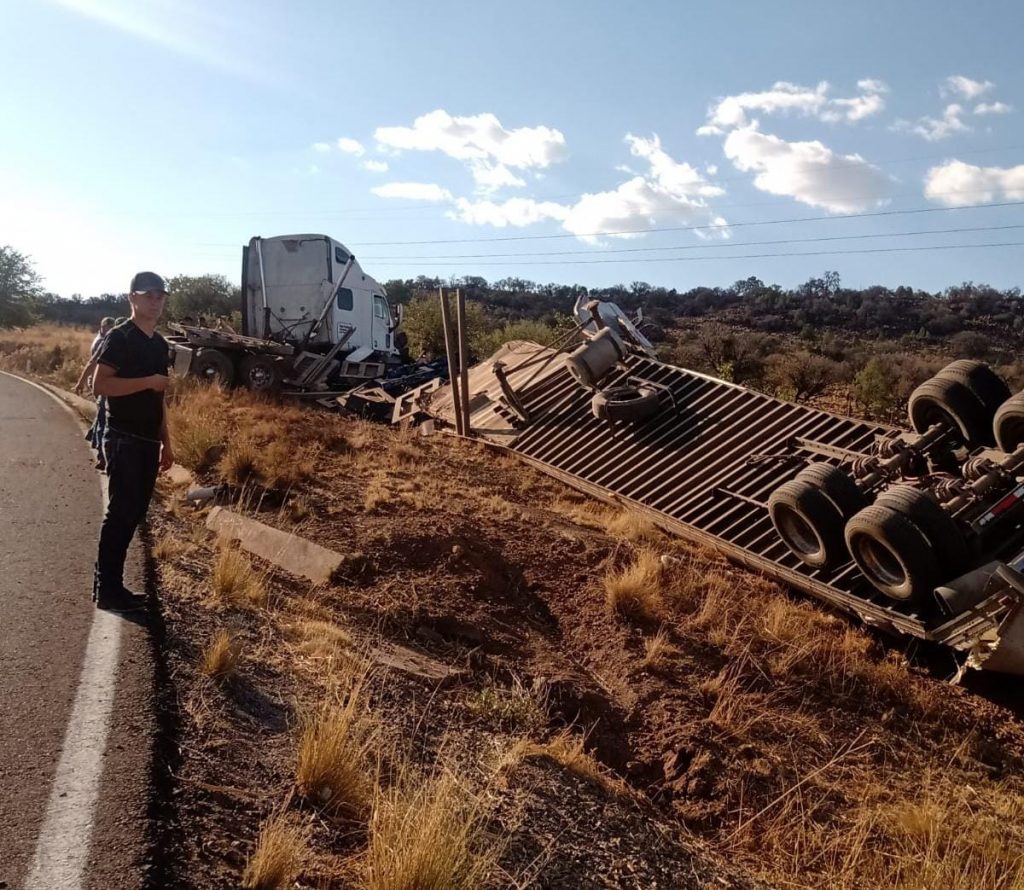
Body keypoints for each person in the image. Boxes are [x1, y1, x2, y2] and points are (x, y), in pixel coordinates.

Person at [91, 273, 175, 613]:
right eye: (148, 295)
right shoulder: (120, 337)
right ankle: (108, 590)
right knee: (121, 513)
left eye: (160, 295)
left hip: (146, 441)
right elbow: (100, 386)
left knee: (134, 513)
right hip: (122, 437)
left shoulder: (159, 344)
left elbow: (159, 399)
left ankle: (114, 587)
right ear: (132, 298)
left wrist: (166, 443)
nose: (155, 301)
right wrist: (147, 382)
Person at [76, 316, 116, 468]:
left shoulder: (106, 339)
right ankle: (101, 455)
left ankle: (93, 437)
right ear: (103, 326)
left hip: (108, 386)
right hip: (100, 384)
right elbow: (93, 363)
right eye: (109, 327)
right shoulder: (104, 342)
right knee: (103, 419)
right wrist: (83, 381)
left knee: (103, 416)